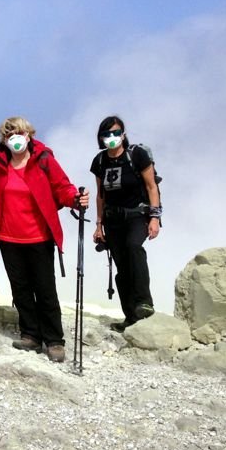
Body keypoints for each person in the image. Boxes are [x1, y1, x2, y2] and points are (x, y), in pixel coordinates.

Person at [0, 117, 89, 363]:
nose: (15, 138)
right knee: (21, 287)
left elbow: (63, 187)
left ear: (29, 135)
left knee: (45, 289)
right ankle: (31, 335)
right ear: (4, 140)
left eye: (20, 133)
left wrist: (75, 199)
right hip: (8, 236)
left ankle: (55, 340)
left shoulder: (44, 160)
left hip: (39, 236)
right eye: (10, 135)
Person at [90, 116, 161, 332]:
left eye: (115, 133)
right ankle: (130, 317)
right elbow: (100, 195)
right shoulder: (100, 161)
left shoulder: (137, 155)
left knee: (134, 248)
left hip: (138, 215)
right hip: (113, 220)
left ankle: (144, 302)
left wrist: (155, 217)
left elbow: (151, 187)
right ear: (101, 138)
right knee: (121, 264)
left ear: (123, 133)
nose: (111, 138)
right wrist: (99, 224)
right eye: (106, 134)